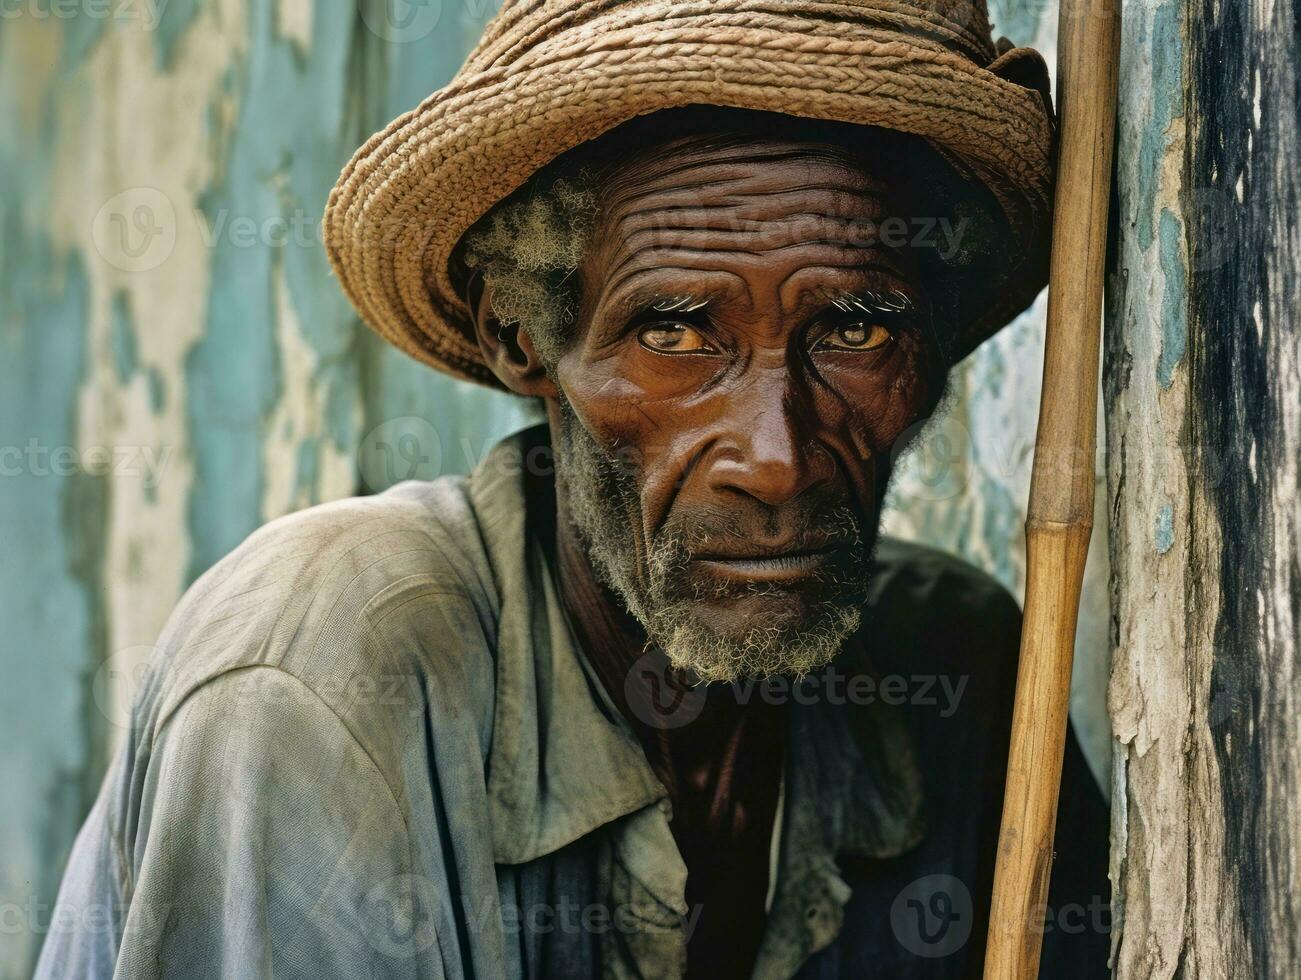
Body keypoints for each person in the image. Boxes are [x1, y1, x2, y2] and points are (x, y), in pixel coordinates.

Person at [37, 1, 1108, 977]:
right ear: (523, 335)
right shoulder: (324, 671)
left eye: (854, 326)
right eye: (676, 329)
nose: (775, 456)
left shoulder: (957, 669)